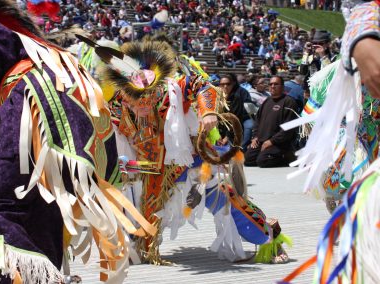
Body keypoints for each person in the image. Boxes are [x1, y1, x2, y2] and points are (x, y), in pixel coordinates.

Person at [0, 1, 155, 283]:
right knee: (36, 214)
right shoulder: (46, 61)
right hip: (69, 122)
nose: (144, 105)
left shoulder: (16, 57)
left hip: (40, 108)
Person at [87, 36, 292, 266]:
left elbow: (202, 86)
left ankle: (268, 239)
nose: (141, 106)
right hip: (153, 173)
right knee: (144, 222)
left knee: (227, 203)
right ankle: (141, 247)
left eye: (146, 99)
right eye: (134, 101)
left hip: (193, 164)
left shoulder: (173, 90)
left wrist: (207, 113)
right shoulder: (117, 104)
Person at [280, 1, 380, 283]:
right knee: (347, 182)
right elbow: (312, 111)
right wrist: (319, 146)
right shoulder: (333, 74)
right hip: (355, 139)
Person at [244, 76, 298, 168]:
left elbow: (288, 128)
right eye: (271, 84)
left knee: (263, 161)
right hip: (262, 140)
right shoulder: (267, 101)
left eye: (276, 84)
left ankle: (286, 157)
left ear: (282, 87)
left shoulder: (289, 102)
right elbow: (257, 121)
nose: (273, 86)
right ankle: (265, 154)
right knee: (247, 160)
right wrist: (255, 137)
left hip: (279, 143)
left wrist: (272, 141)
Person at [218, 74, 254, 149]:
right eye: (222, 84)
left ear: (233, 84)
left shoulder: (239, 94)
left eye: (228, 84)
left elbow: (235, 118)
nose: (225, 86)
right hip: (224, 125)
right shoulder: (218, 95)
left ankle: (242, 148)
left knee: (249, 127)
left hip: (243, 118)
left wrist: (227, 137)